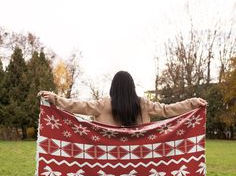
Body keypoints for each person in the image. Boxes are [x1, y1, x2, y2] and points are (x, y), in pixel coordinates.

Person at [37, 70, 207, 127]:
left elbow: (76, 105)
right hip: (140, 158)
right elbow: (167, 109)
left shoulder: (102, 104)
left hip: (107, 160)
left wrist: (55, 98)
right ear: (132, 87)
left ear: (113, 87)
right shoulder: (143, 104)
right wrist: (192, 102)